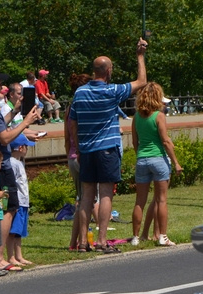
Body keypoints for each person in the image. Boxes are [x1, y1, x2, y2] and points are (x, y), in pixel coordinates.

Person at [69, 37, 149, 254]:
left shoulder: (80, 93)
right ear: (108, 70)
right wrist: (139, 56)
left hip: (86, 150)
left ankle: (84, 242)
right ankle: (102, 241)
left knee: (86, 196)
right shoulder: (112, 91)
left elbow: (72, 122)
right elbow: (141, 82)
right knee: (105, 194)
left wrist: (78, 145)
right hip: (107, 149)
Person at [0, 67, 41, 268]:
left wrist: (14, 112)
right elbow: (4, 137)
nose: (2, 87)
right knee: (9, 207)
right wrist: (26, 122)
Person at [130, 82, 182, 247]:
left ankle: (136, 237)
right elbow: (165, 141)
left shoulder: (136, 116)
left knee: (140, 201)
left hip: (142, 159)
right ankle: (162, 236)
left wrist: (141, 155)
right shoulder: (159, 116)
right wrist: (176, 162)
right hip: (158, 158)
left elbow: (135, 141)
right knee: (161, 200)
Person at [64, 73, 94, 251]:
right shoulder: (84, 106)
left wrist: (69, 156)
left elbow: (67, 139)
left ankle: (73, 242)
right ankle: (84, 240)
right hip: (84, 156)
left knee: (80, 200)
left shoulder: (69, 109)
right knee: (87, 201)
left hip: (72, 158)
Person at [7, 134, 35, 267]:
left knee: (18, 232)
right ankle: (11, 256)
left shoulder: (19, 162)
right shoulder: (13, 163)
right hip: (18, 201)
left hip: (24, 202)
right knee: (12, 231)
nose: (27, 150)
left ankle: (19, 255)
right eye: (26, 147)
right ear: (20, 147)